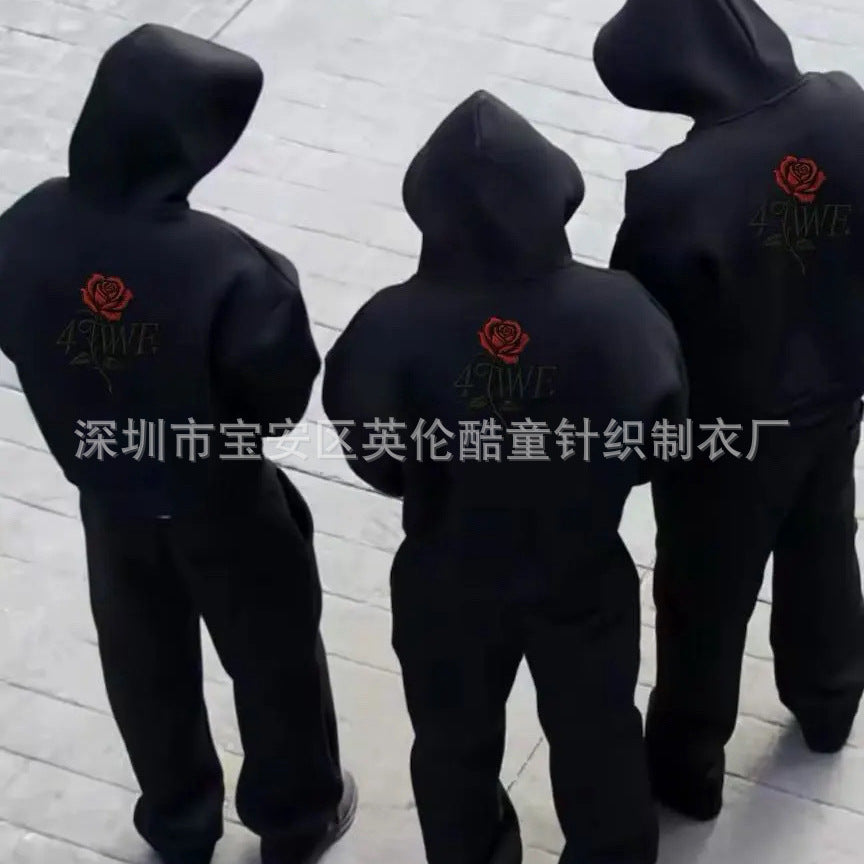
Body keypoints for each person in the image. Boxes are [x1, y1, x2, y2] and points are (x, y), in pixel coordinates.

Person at [0, 24, 355, 864]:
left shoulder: (24, 225)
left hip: (108, 496)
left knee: (143, 663)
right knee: (273, 659)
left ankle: (179, 821)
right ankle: (295, 816)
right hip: (224, 501)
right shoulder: (233, 269)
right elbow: (277, 403)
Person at [323, 90, 686, 864]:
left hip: (447, 575)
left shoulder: (389, 325)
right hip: (581, 569)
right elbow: (661, 440)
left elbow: (372, 453)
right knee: (598, 732)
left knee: (452, 743)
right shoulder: (620, 312)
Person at [594, 0, 864, 821]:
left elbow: (646, 342)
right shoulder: (847, 106)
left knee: (703, 599)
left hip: (727, 436)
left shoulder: (677, 193)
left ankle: (688, 767)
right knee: (825, 543)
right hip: (836, 395)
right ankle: (830, 701)